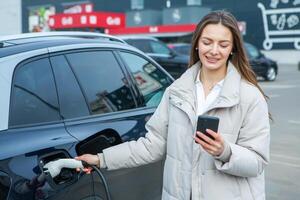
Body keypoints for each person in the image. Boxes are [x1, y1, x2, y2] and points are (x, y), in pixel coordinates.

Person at [76, 10, 270, 200]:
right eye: (207, 42)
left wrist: (224, 151)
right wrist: (101, 159)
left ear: (232, 48)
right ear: (196, 45)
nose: (213, 50)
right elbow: (152, 146)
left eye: (223, 44)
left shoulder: (250, 97)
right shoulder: (176, 92)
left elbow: (257, 162)